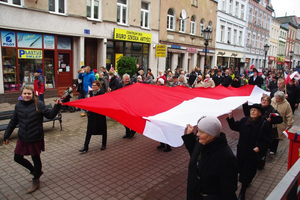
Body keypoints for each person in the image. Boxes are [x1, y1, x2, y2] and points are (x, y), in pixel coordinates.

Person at [3, 86, 61, 194]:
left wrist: (57, 106)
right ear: (21, 94)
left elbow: (50, 115)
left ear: (33, 94)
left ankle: (36, 180)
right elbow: (13, 122)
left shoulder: (38, 104)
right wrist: (6, 136)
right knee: (17, 157)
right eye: (25, 93)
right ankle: (35, 172)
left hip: (35, 136)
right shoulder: (18, 106)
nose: (27, 95)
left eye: (29, 93)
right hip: (23, 137)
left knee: (36, 158)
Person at [182, 116, 238, 200]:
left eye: (201, 132)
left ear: (212, 135)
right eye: (198, 130)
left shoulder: (226, 157)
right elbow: (195, 156)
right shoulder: (202, 142)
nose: (197, 134)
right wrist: (189, 136)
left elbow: (228, 190)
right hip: (194, 194)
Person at [227, 104, 272, 200]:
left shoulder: (263, 125)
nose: (252, 112)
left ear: (260, 113)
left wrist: (259, 148)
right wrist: (230, 118)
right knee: (239, 168)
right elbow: (234, 127)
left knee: (246, 173)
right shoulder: (244, 121)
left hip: (252, 154)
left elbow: (267, 141)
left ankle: (242, 191)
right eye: (251, 110)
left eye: (255, 110)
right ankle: (245, 183)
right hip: (241, 151)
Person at [242, 95, 283, 169]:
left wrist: (272, 120)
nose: (263, 101)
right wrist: (245, 105)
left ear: (269, 102)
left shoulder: (272, 110)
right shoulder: (258, 107)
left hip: (265, 132)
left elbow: (280, 119)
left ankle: (260, 163)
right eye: (262, 100)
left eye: (265, 100)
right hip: (256, 132)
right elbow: (247, 114)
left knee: (262, 149)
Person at [79, 80, 107, 153]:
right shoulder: (90, 93)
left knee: (103, 130)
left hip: (100, 114)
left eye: (95, 85)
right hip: (92, 115)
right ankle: (86, 146)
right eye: (92, 85)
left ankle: (104, 144)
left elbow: (102, 103)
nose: (93, 87)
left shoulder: (102, 93)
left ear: (98, 86)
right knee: (89, 130)